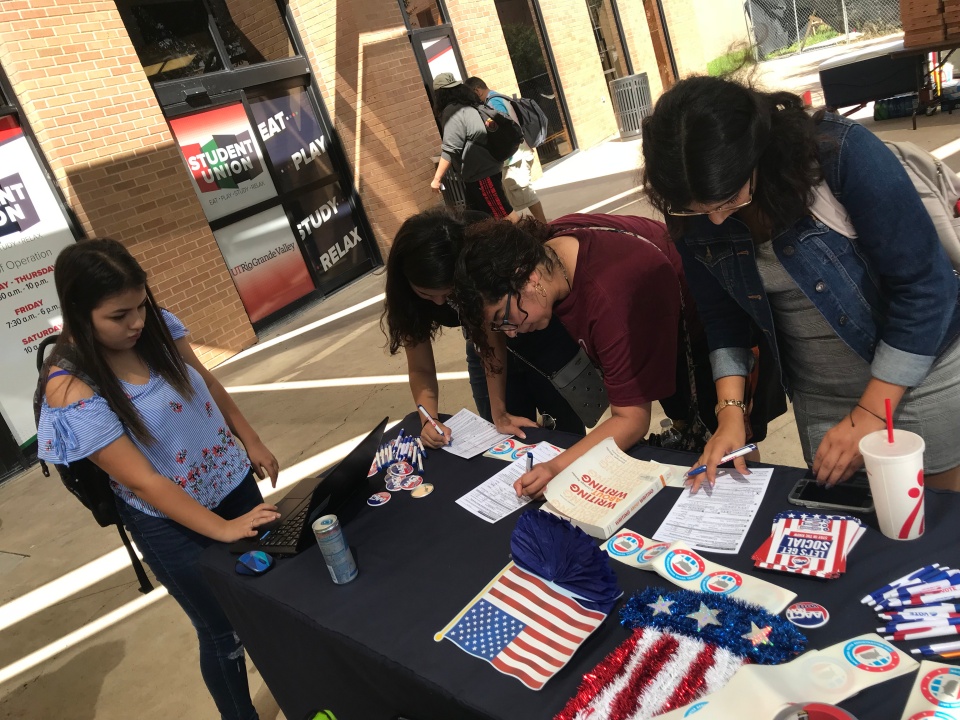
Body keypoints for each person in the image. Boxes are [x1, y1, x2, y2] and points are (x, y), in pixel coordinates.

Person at [641, 75, 960, 491]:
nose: (715, 219)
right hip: (820, 398)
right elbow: (723, 322)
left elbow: (925, 288)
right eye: (698, 209)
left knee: (929, 533)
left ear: (756, 153)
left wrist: (869, 415)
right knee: (848, 539)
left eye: (729, 199)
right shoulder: (689, 205)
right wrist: (731, 414)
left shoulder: (839, 154)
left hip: (916, 381)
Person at [37, 238, 281, 720]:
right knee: (223, 631)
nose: (136, 323)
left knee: (271, 597)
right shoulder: (70, 386)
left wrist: (248, 438)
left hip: (231, 482)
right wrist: (223, 529)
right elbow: (145, 480)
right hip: (170, 524)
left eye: (141, 305)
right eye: (118, 315)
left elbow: (205, 382)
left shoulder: (156, 329)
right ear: (78, 313)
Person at [454, 214, 719, 498]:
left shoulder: (612, 301)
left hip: (701, 332)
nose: (510, 333)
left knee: (713, 450)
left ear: (527, 278)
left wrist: (556, 468)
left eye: (503, 318)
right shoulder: (544, 253)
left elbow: (632, 419)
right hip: (661, 311)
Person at [381, 208, 585, 449]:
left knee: (566, 434)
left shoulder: (477, 248)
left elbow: (493, 339)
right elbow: (421, 368)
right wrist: (430, 420)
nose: (439, 303)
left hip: (535, 328)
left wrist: (500, 412)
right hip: (482, 341)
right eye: (426, 294)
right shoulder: (406, 297)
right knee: (504, 439)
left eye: (449, 293)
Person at [430, 72, 520, 221]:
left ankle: (530, 241)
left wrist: (437, 179)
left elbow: (450, 149)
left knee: (505, 215)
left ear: (439, 94)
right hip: (481, 173)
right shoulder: (468, 105)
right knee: (478, 220)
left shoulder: (452, 112)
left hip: (481, 174)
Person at [465, 76, 548, 223]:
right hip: (519, 153)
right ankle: (541, 226)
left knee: (524, 192)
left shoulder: (493, 102)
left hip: (516, 156)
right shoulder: (497, 97)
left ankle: (544, 227)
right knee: (521, 194)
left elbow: (504, 130)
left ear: (477, 90)